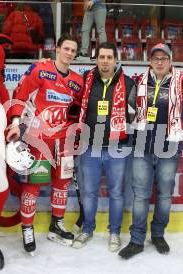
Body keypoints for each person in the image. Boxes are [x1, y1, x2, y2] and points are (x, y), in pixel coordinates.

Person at [118, 43, 183, 260]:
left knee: (164, 195)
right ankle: (137, 240)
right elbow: (129, 105)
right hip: (142, 147)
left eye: (163, 58)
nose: (159, 62)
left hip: (169, 148)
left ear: (170, 61)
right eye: (155, 58)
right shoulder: (138, 81)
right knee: (140, 196)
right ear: (149, 61)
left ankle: (157, 235)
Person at [6, 34, 84, 255]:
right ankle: (27, 228)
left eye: (73, 50)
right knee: (33, 185)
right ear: (57, 49)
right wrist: (14, 123)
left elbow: (78, 110)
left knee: (62, 183)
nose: (69, 53)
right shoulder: (40, 69)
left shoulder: (77, 81)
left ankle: (56, 224)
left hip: (64, 141)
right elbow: (19, 95)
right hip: (39, 140)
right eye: (66, 48)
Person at [72, 42, 136, 252]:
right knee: (89, 192)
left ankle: (115, 232)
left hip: (117, 148)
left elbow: (140, 111)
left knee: (116, 193)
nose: (105, 61)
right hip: (90, 147)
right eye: (102, 57)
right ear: (96, 59)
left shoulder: (128, 83)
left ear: (115, 60)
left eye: (109, 57)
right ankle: (88, 229)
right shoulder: (86, 79)